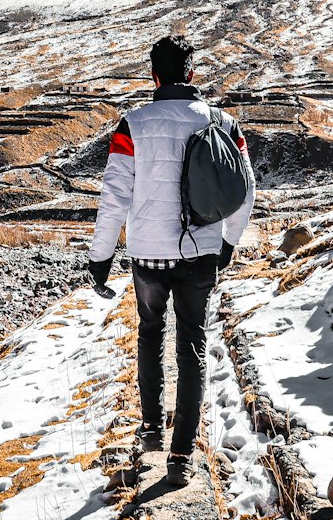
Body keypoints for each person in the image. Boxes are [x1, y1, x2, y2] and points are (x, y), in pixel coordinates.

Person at [87, 34, 255, 486]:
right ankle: (182, 455)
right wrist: (228, 244)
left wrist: (101, 257)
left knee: (149, 333)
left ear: (154, 76)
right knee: (192, 347)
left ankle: (151, 430)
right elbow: (244, 192)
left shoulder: (132, 125)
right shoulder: (225, 124)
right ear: (192, 74)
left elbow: (114, 196)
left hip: (148, 256)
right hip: (202, 255)